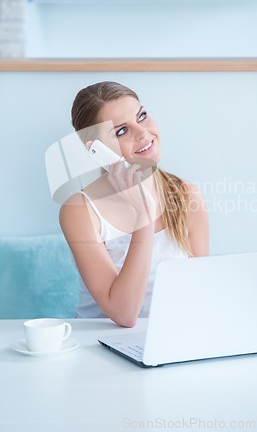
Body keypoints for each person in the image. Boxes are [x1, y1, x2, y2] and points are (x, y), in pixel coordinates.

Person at [60, 81, 209, 327]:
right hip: (97, 344)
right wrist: (143, 215)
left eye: (141, 116)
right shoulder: (79, 211)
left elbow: (199, 290)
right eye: (121, 131)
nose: (142, 133)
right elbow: (124, 314)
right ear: (96, 150)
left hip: (170, 336)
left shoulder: (187, 195)